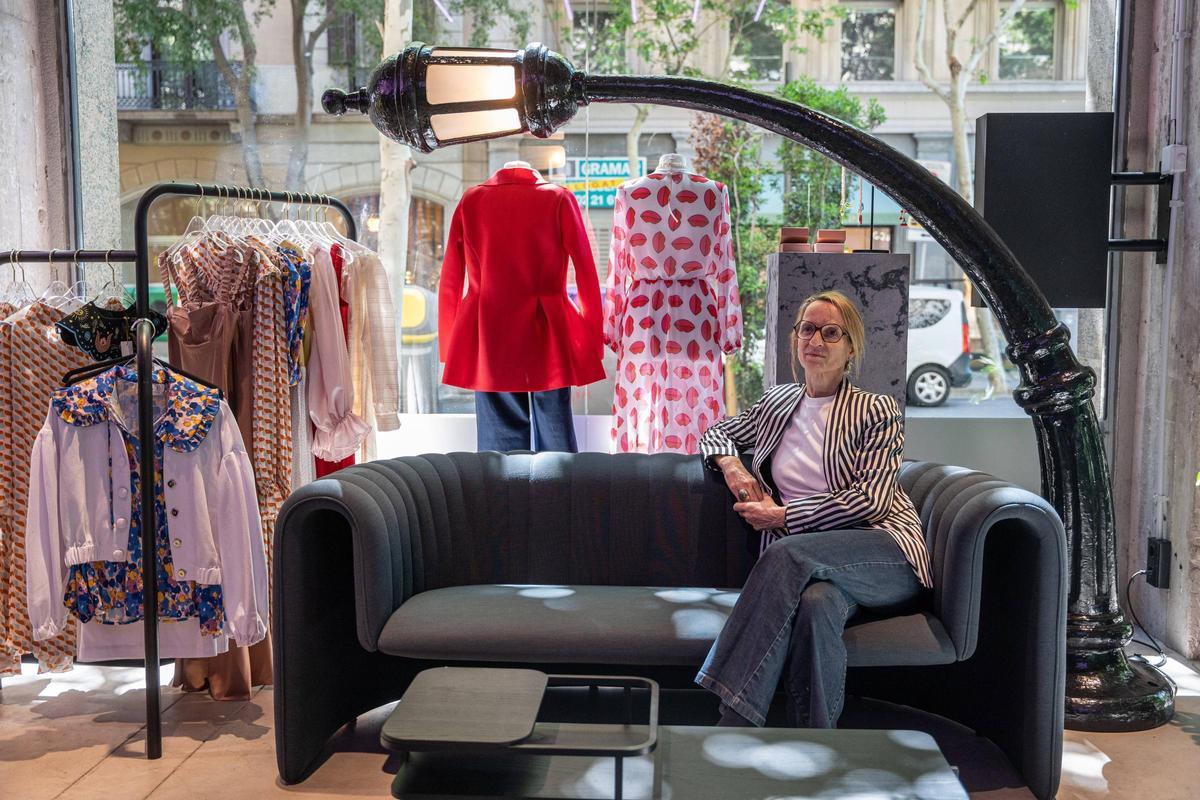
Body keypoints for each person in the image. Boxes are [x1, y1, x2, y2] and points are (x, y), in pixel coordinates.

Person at [695, 289, 932, 728]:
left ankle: (733, 717)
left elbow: (873, 500)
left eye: (830, 332)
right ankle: (817, 741)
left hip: (882, 553)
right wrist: (732, 467)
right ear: (795, 339)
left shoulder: (876, 411)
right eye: (807, 329)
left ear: (850, 348)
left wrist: (784, 517)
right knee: (818, 605)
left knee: (785, 551)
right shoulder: (778, 404)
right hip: (813, 569)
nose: (815, 341)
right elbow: (715, 431)